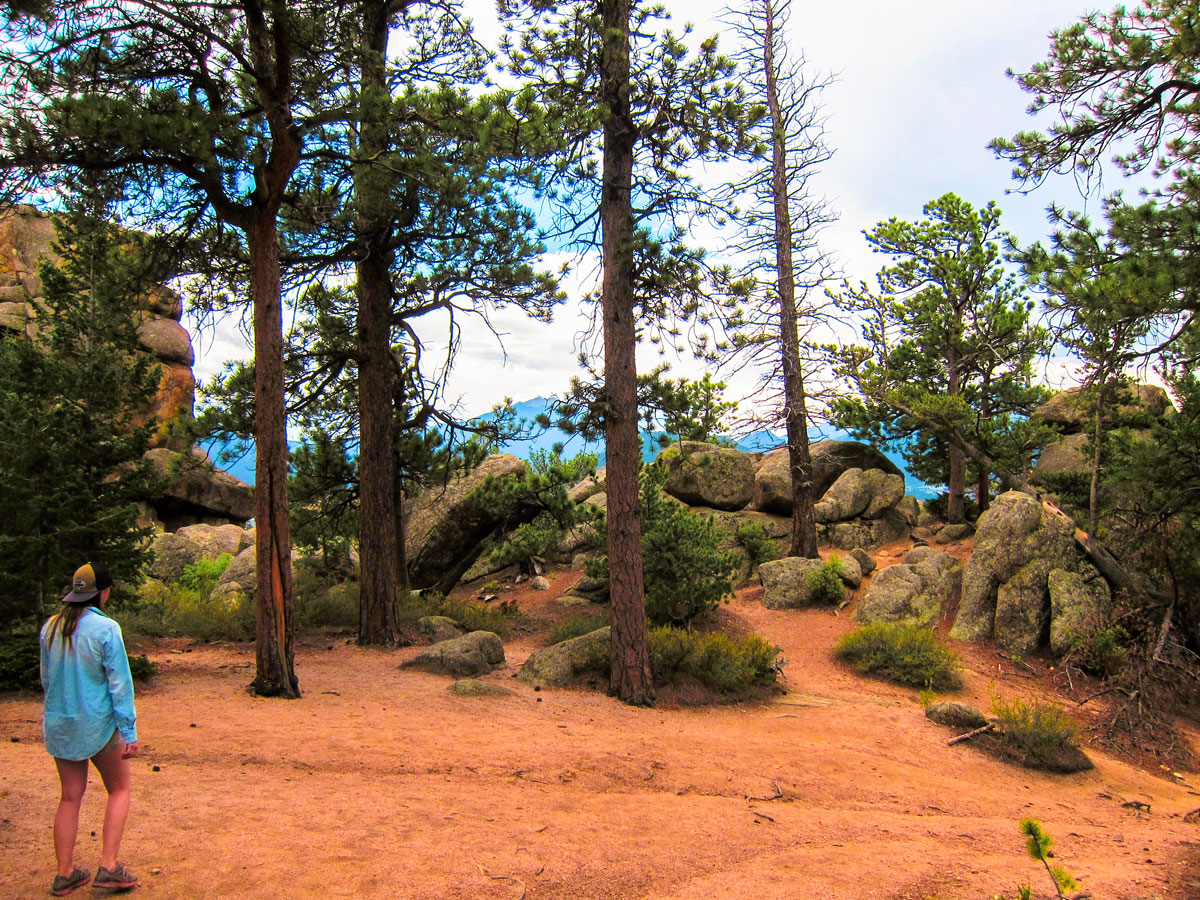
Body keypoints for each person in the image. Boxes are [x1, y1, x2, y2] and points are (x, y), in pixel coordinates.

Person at [40, 562, 141, 896]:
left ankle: (64, 873)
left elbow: (47, 681)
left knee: (70, 795)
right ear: (104, 593)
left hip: (61, 724)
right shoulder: (106, 629)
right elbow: (119, 684)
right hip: (98, 725)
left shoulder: (50, 628)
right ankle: (109, 867)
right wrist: (128, 730)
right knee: (120, 789)